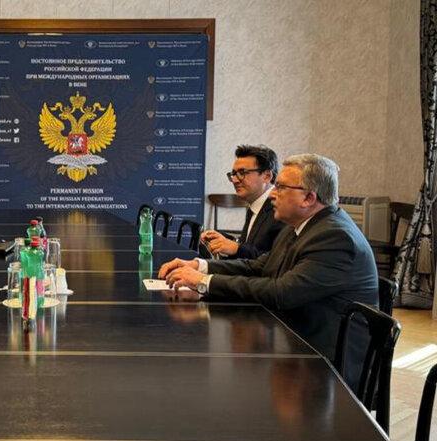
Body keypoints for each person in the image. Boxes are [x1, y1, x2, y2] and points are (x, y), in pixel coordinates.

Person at [158, 153, 378, 391]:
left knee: (236, 381)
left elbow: (282, 293)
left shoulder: (335, 237)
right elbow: (260, 266)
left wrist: (204, 282)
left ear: (308, 198)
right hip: (296, 338)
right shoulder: (299, 226)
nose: (273, 194)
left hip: (328, 361)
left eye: (281, 187)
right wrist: (200, 266)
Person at [201, 144, 284, 258]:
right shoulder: (255, 204)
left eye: (242, 173)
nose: (235, 180)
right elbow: (251, 247)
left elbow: (273, 261)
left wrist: (236, 248)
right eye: (233, 174)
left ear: (267, 176)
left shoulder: (281, 210)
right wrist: (224, 240)